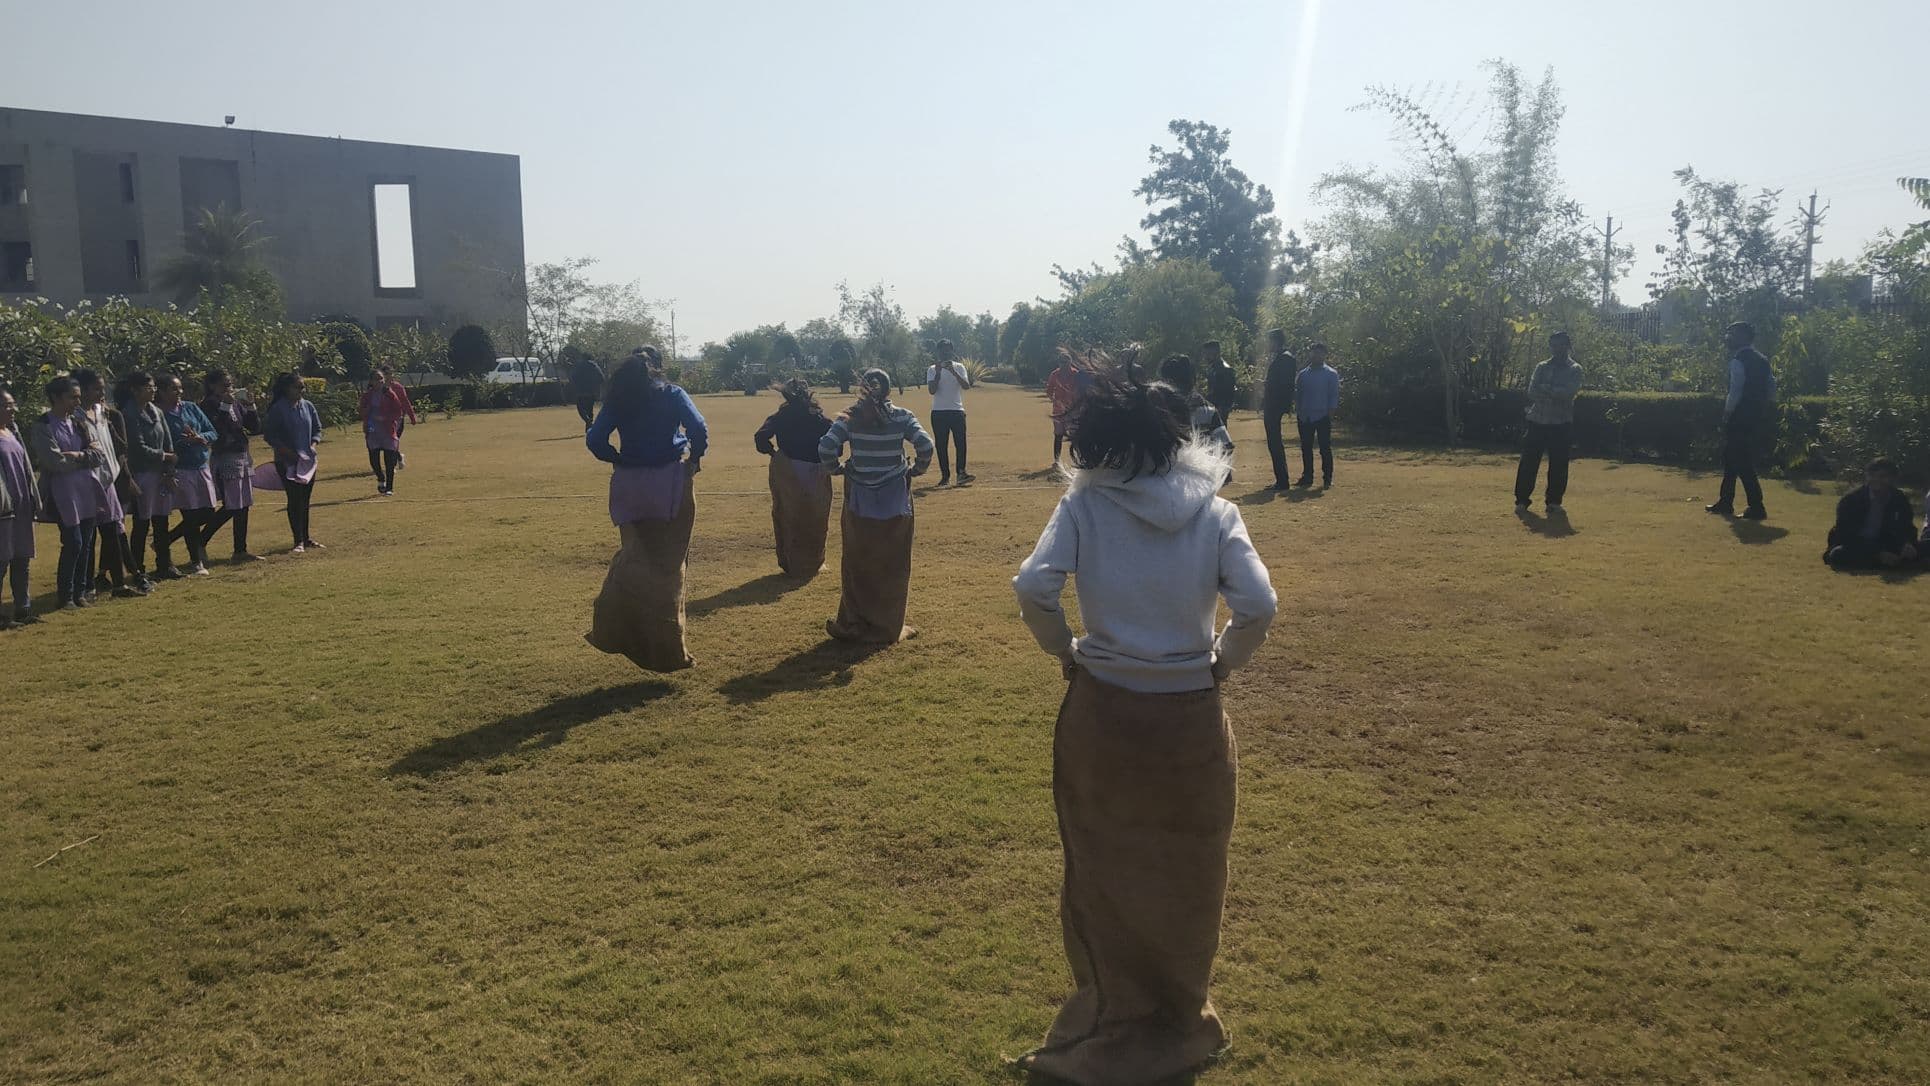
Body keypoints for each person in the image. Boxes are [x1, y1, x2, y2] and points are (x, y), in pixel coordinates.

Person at [1011, 362, 1277, 1086]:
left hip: (1103, 708)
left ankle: (1112, 1007)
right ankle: (1179, 1013)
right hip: (1191, 716)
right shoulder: (1217, 511)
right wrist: (1221, 662)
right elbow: (1260, 605)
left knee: (1102, 868)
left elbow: (1033, 586)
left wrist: (1061, 648)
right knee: (1192, 871)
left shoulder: (1084, 506)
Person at [585, 346, 707, 672]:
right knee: (669, 563)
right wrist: (694, 460)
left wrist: (617, 459)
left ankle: (613, 629)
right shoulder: (672, 393)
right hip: (670, 482)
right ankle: (669, 648)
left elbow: (596, 438)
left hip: (630, 484)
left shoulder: (619, 398)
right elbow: (698, 427)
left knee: (635, 557)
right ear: (657, 367)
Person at [819, 368, 934, 643]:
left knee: (857, 561)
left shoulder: (850, 416)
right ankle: (890, 627)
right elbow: (926, 446)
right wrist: (915, 470)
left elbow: (825, 447)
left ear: (862, 388)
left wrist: (836, 469)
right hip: (895, 500)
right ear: (889, 389)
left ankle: (852, 623)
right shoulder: (903, 416)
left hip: (859, 499)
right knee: (893, 563)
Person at [26, 377, 110, 610]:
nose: (77, 401)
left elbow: (98, 454)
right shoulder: (43, 425)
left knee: (87, 541)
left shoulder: (79, 423)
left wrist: (77, 455)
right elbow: (54, 461)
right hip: (63, 492)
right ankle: (67, 595)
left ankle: (81, 591)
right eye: (72, 397)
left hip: (86, 490)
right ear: (56, 397)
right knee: (73, 541)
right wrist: (83, 456)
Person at [755, 378, 835, 578]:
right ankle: (814, 562)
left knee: (787, 515)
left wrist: (773, 453)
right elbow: (835, 441)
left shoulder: (782, 415)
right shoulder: (819, 417)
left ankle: (790, 561)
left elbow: (761, 437)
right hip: (817, 470)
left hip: (788, 470)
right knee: (817, 518)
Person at [75, 369, 138, 599]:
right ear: (81, 391)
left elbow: (119, 446)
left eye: (103, 388)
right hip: (90, 481)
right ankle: (87, 585)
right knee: (89, 536)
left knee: (112, 531)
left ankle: (119, 584)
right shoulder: (76, 417)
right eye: (96, 389)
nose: (102, 393)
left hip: (108, 479)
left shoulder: (104, 414)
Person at [1706, 321, 1774, 520]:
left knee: (1741, 460)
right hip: (1755, 415)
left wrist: (1727, 413)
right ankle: (1726, 501)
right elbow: (1772, 387)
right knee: (1731, 457)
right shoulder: (1762, 359)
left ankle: (1756, 506)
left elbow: (1735, 390)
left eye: (1733, 334)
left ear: (1744, 336)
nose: (1729, 337)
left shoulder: (1738, 359)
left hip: (1739, 416)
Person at [198, 369, 264, 563]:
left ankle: (240, 550)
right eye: (225, 385)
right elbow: (215, 429)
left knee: (243, 505)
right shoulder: (209, 404)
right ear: (212, 386)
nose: (229, 389)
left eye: (230, 385)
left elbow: (254, 428)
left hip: (242, 455)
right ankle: (200, 540)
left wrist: (251, 406)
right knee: (232, 505)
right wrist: (225, 407)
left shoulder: (235, 403)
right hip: (225, 457)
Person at [1515, 331, 1584, 513]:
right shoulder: (1541, 367)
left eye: (1560, 345)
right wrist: (1554, 392)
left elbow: (1568, 393)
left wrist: (1547, 389)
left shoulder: (1575, 369)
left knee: (1559, 464)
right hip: (1537, 420)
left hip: (1561, 423)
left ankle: (1554, 502)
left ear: (1567, 346)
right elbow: (1532, 391)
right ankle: (1521, 501)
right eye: (1553, 345)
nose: (1556, 349)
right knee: (1528, 462)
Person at [158, 374, 220, 576]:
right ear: (163, 391)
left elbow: (212, 431)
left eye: (180, 388)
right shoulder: (160, 415)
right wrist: (183, 442)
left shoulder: (191, 407)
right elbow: (163, 443)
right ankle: (196, 561)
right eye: (174, 389)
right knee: (190, 513)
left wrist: (201, 437)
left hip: (201, 466)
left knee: (208, 511)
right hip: (181, 469)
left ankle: (166, 539)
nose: (179, 393)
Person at [122, 371, 178, 582]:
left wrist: (169, 465)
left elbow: (167, 439)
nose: (153, 391)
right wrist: (164, 456)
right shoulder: (129, 414)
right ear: (135, 390)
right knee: (142, 522)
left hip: (160, 472)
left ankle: (165, 563)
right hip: (143, 472)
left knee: (162, 520)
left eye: (153, 387)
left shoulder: (156, 411)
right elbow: (137, 447)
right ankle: (138, 568)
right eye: (148, 387)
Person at [263, 372, 323, 554]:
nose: (301, 390)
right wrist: (287, 452)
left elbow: (318, 429)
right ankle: (297, 540)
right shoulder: (278, 409)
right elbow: (270, 435)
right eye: (298, 387)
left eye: (302, 387)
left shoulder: (308, 406)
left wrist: (313, 445)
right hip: (287, 462)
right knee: (294, 499)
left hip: (307, 462)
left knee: (305, 500)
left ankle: (306, 538)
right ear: (286, 389)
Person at [1824, 459, 1918, 569]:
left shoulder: (1899, 498)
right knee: (1838, 554)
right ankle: (1884, 562)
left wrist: (1907, 543)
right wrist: (1878, 553)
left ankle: (1890, 561)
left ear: (1893, 478)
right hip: (1857, 545)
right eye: (1872, 475)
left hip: (1886, 543)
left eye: (1882, 476)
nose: (1876, 480)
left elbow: (1907, 526)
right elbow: (1846, 534)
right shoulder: (1851, 499)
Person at [0, 388, 39, 628]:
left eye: (12, 404)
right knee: (2, 561)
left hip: (22, 506)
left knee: (22, 559)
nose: (12, 409)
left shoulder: (12, 432)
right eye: (6, 405)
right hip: (4, 510)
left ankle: (23, 608)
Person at [1157, 354, 1234, 455]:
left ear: (1165, 382)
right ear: (1193, 380)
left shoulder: (1157, 411)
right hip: (1205, 468)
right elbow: (1226, 447)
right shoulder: (1208, 411)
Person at [359, 364, 417, 496]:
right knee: (374, 459)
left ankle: (389, 487)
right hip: (372, 429)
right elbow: (361, 411)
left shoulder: (390, 393)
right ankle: (380, 478)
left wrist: (385, 418)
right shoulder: (367, 396)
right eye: (376, 379)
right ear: (371, 381)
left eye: (381, 379)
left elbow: (398, 410)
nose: (379, 381)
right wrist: (368, 412)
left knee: (389, 459)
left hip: (388, 429)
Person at [925, 339, 974, 487]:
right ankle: (945, 477)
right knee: (941, 445)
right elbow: (932, 390)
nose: (945, 353)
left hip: (957, 411)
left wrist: (953, 372)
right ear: (938, 352)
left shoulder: (959, 367)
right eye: (942, 351)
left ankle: (961, 473)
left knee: (961, 443)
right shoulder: (932, 369)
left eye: (948, 350)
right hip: (939, 412)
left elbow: (966, 386)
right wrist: (939, 373)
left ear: (952, 351)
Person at [1293, 343, 1341, 487]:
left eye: (1319, 353)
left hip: (1322, 416)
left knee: (1324, 448)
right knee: (1306, 448)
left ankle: (1327, 478)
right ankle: (1307, 476)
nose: (1316, 356)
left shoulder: (1331, 374)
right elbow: (1298, 394)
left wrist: (1331, 411)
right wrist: (1298, 411)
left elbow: (1333, 394)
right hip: (1305, 416)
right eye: (1314, 352)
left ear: (1325, 355)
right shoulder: (1303, 374)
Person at [1261, 329, 1297, 491]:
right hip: (1273, 404)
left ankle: (1282, 481)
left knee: (1275, 443)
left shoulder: (1285, 358)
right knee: (1273, 443)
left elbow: (1285, 384)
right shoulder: (1281, 358)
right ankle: (1281, 479)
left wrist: (1265, 385)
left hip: (1275, 406)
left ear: (1276, 341)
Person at [1046, 351, 1082, 465]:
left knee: (1074, 435)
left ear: (1070, 362)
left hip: (1073, 410)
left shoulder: (1076, 374)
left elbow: (1081, 391)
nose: (1064, 365)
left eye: (1066, 362)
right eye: (1061, 362)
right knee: (1058, 435)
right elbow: (1049, 391)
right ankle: (1057, 461)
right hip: (1058, 411)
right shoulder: (1054, 375)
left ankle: (1078, 459)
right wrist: (1055, 401)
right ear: (1059, 363)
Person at [1202, 340, 1237, 421]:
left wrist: (1223, 410)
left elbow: (1229, 393)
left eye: (1208, 354)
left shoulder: (1225, 370)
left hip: (1220, 410)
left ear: (1216, 353)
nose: (1205, 357)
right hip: (1212, 407)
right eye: (1205, 354)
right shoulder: (1212, 369)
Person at [570, 353, 606, 430]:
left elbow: (573, 377)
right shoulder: (594, 366)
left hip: (581, 391)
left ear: (583, 358)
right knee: (590, 409)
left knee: (580, 408)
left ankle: (588, 422)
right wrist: (596, 386)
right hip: (592, 391)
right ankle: (589, 426)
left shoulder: (579, 366)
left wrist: (576, 385)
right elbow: (601, 378)